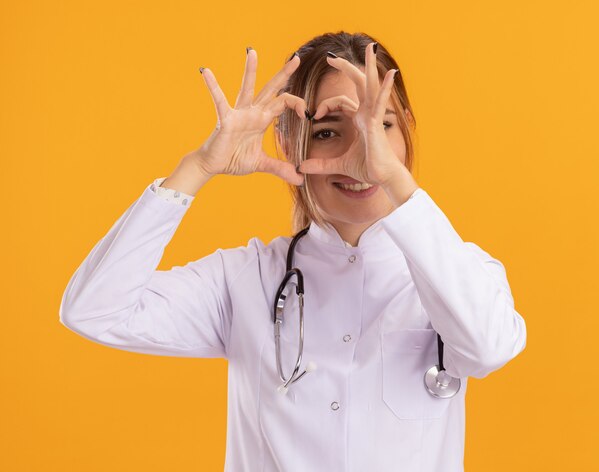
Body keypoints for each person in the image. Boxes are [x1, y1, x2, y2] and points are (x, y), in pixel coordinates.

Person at [59, 31, 527, 471]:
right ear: (286, 143)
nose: (361, 155)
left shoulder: (460, 273)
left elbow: (487, 348)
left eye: (380, 127)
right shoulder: (243, 280)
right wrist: (198, 167)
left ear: (406, 136)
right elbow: (94, 310)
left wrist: (397, 183)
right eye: (327, 131)